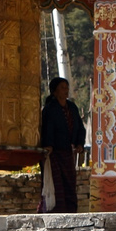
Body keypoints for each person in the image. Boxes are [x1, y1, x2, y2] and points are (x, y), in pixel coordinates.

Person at [38, 77, 86, 213]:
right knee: (55, 183)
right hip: (54, 153)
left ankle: (70, 212)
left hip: (67, 152)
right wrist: (48, 145)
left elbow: (79, 127)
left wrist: (79, 143)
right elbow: (47, 128)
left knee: (69, 183)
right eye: (62, 88)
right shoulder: (49, 109)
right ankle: (54, 212)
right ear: (54, 91)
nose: (66, 91)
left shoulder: (72, 107)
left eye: (67, 87)